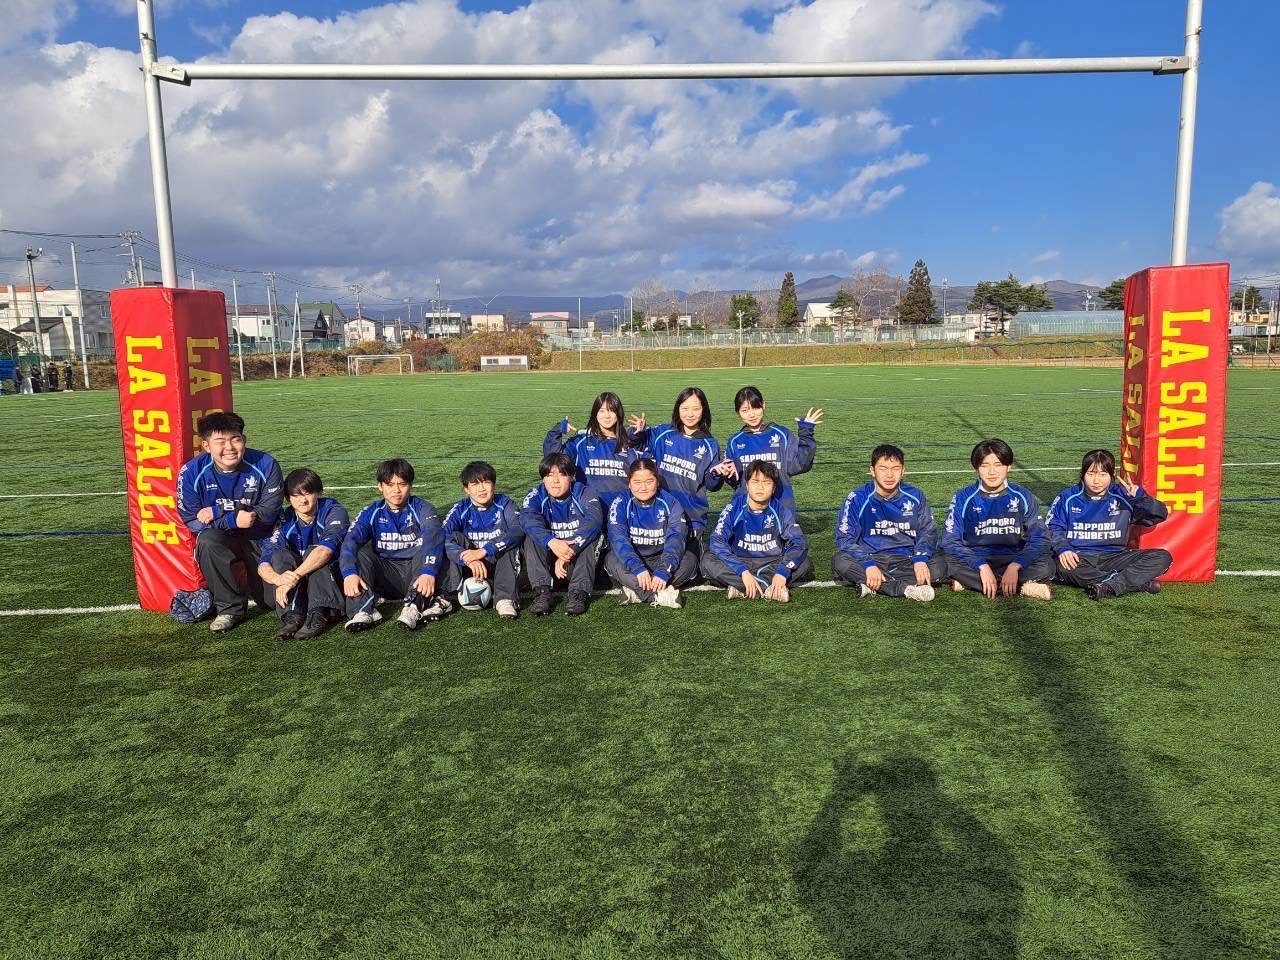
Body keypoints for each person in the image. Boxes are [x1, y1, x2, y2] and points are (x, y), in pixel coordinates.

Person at [176, 411, 284, 631]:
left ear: (244, 440)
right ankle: (229, 609)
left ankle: (256, 586)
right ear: (206, 446)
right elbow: (192, 521)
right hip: (223, 537)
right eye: (220, 442)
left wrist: (219, 511)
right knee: (207, 541)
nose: (230, 448)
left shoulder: (266, 464)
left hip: (260, 536)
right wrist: (232, 521)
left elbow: (268, 513)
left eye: (235, 439)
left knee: (271, 602)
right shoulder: (190, 473)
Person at [1047, 449, 1172, 599]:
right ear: (1082, 474)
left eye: (1103, 474)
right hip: (1079, 556)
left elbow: (1159, 515)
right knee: (1062, 567)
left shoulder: (1123, 495)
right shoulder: (1068, 497)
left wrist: (1140, 498)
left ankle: (1113, 585)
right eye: (1091, 474)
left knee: (1162, 557)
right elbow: (1053, 527)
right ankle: (1133, 583)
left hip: (1115, 557)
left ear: (1112, 474)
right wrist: (1063, 548)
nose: (1096, 481)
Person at [339, 458, 445, 633]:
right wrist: (349, 573)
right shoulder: (371, 511)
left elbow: (432, 536)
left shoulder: (423, 508)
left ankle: (413, 607)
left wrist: (429, 571)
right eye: (390, 485)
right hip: (386, 575)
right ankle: (363, 610)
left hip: (417, 573)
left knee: (425, 549)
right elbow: (350, 540)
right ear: (380, 486)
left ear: (410, 486)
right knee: (361, 553)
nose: (396, 490)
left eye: (402, 484)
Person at [941, 438, 1053, 601]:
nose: (991, 472)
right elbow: (950, 541)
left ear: (1009, 466)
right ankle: (1021, 586)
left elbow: (1040, 537)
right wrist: (980, 565)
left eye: (998, 465)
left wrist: (1016, 565)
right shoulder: (963, 497)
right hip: (973, 558)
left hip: (1011, 557)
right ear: (976, 468)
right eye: (985, 465)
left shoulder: (1022, 495)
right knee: (942, 563)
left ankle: (971, 583)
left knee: (1047, 565)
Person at [833, 444, 947, 602]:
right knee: (840, 561)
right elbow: (844, 537)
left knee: (941, 565)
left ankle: (872, 584)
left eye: (895, 468)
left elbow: (928, 531)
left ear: (903, 470)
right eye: (883, 468)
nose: (889, 475)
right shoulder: (857, 498)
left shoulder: (915, 496)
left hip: (907, 559)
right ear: (872, 471)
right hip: (872, 558)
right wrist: (868, 563)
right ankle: (904, 589)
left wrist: (920, 559)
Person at [628, 386, 731, 546]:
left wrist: (717, 474)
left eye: (696, 409)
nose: (690, 414)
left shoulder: (710, 445)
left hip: (692, 517)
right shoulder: (663, 433)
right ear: (678, 409)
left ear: (704, 410)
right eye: (685, 408)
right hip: (660, 513)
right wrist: (636, 432)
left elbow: (712, 485)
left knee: (688, 560)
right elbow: (636, 442)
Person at [257, 468, 350, 639]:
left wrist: (294, 577)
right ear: (288, 498)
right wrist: (278, 580)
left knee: (314, 552)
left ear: (319, 492)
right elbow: (264, 562)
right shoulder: (284, 519)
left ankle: (319, 613)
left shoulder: (334, 511)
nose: (303, 500)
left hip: (331, 581)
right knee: (280, 556)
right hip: (299, 584)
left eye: (308, 493)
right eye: (296, 496)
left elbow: (325, 551)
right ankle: (293, 615)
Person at [701, 459, 811, 602]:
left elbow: (799, 543)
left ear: (773, 488)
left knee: (805, 563)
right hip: (739, 560)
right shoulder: (735, 507)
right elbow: (717, 540)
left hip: (771, 562)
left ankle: (741, 587)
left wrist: (782, 572)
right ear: (747, 485)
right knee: (707, 561)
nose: (760, 487)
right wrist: (742, 570)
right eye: (755, 481)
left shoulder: (781, 510)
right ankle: (767, 588)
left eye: (766, 482)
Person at [520, 452, 604, 617]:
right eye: (549, 475)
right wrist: (552, 542)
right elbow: (527, 519)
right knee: (531, 536)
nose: (555, 480)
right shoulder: (535, 495)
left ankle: (578, 593)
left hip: (575, 562)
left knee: (593, 536)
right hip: (550, 564)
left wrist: (568, 552)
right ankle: (543, 591)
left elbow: (594, 520)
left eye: (562, 474)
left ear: (571, 477)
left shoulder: (584, 493)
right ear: (543, 478)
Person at [605, 458, 697, 608]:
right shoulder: (620, 503)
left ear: (657, 482)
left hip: (661, 558)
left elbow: (676, 538)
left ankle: (636, 591)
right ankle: (658, 595)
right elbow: (618, 539)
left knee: (690, 561)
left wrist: (664, 571)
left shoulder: (671, 503)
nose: (643, 488)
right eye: (637, 482)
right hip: (634, 561)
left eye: (649, 481)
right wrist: (637, 568)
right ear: (629, 483)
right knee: (611, 560)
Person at [440, 461, 525, 620]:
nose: (481, 489)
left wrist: (485, 550)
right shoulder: (460, 508)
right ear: (466, 489)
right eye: (475, 484)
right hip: (470, 567)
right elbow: (442, 535)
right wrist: (466, 557)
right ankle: (446, 597)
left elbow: (518, 529)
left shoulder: (505, 503)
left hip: (499, 565)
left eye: (486, 482)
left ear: (494, 485)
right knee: (455, 538)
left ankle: (505, 599)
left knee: (511, 542)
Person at [722, 385, 822, 510]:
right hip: (746, 510)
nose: (751, 414)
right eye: (745, 410)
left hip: (780, 507)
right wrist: (727, 474)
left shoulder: (781, 434)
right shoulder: (735, 441)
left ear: (763, 405)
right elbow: (734, 480)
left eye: (756, 407)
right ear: (738, 413)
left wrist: (806, 433)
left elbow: (800, 465)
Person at [544, 391, 641, 509]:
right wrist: (557, 430)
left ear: (618, 413)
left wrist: (640, 435)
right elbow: (553, 458)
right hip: (588, 510)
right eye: (602, 411)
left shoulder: (630, 443)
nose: (607, 416)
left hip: (622, 510)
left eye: (611, 410)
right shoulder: (582, 442)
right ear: (595, 413)